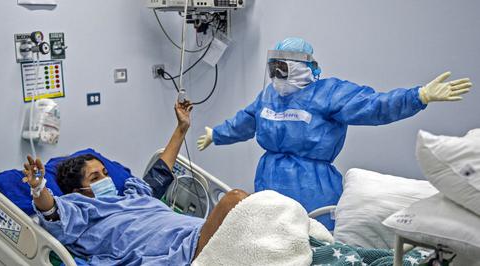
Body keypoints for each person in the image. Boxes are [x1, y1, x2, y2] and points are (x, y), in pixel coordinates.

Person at [196, 36, 473, 228]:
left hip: (313, 187)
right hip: (269, 182)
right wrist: (217, 134)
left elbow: (373, 106)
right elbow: (246, 120)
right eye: (273, 69)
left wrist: (419, 96)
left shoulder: (329, 94)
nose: (276, 77)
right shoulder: (269, 95)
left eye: (283, 69)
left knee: (314, 245)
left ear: (303, 68)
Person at [23, 100, 249, 265]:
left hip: (197, 233)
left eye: (104, 173)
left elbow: (160, 171)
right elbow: (52, 211)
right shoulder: (82, 211)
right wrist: (38, 187)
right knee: (235, 200)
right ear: (77, 191)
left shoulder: (133, 195)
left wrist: (182, 128)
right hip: (182, 253)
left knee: (258, 214)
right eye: (95, 178)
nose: (106, 179)